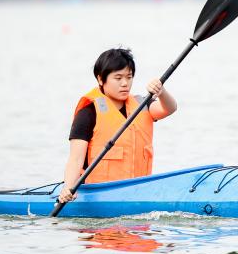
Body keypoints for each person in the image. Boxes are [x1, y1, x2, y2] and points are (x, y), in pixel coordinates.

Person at [58, 48, 177, 202]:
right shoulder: (88, 112)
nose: (125, 83)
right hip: (100, 195)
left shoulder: (142, 104)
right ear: (101, 79)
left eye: (129, 77)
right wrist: (68, 187)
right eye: (118, 78)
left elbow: (170, 108)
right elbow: (75, 159)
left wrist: (162, 92)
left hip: (139, 192)